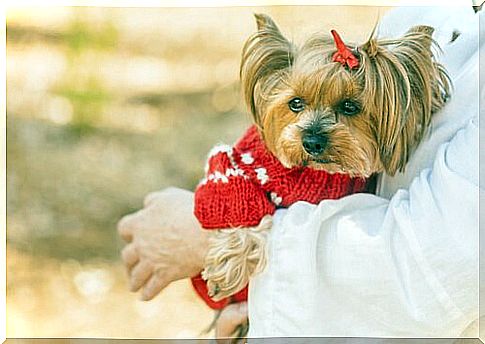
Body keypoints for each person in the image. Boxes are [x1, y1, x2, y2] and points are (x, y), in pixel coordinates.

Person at [118, 4, 482, 338]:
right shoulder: (255, 169)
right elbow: (219, 208)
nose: (315, 133)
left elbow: (434, 268)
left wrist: (201, 241)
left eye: (350, 108)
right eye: (296, 105)